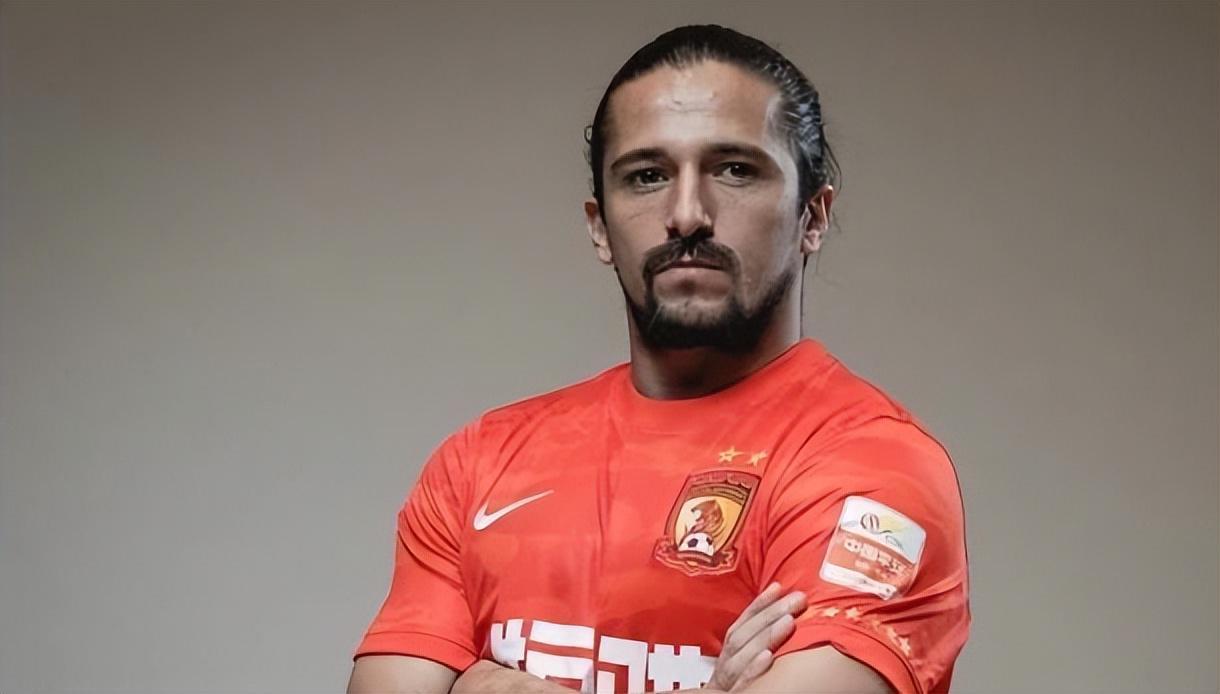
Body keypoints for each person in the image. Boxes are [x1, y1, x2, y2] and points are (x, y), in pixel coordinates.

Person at [347, 24, 969, 694]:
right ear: (599, 226)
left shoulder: (873, 469)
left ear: (811, 216)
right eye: (647, 176)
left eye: (735, 169)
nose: (688, 214)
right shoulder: (478, 464)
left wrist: (486, 688)